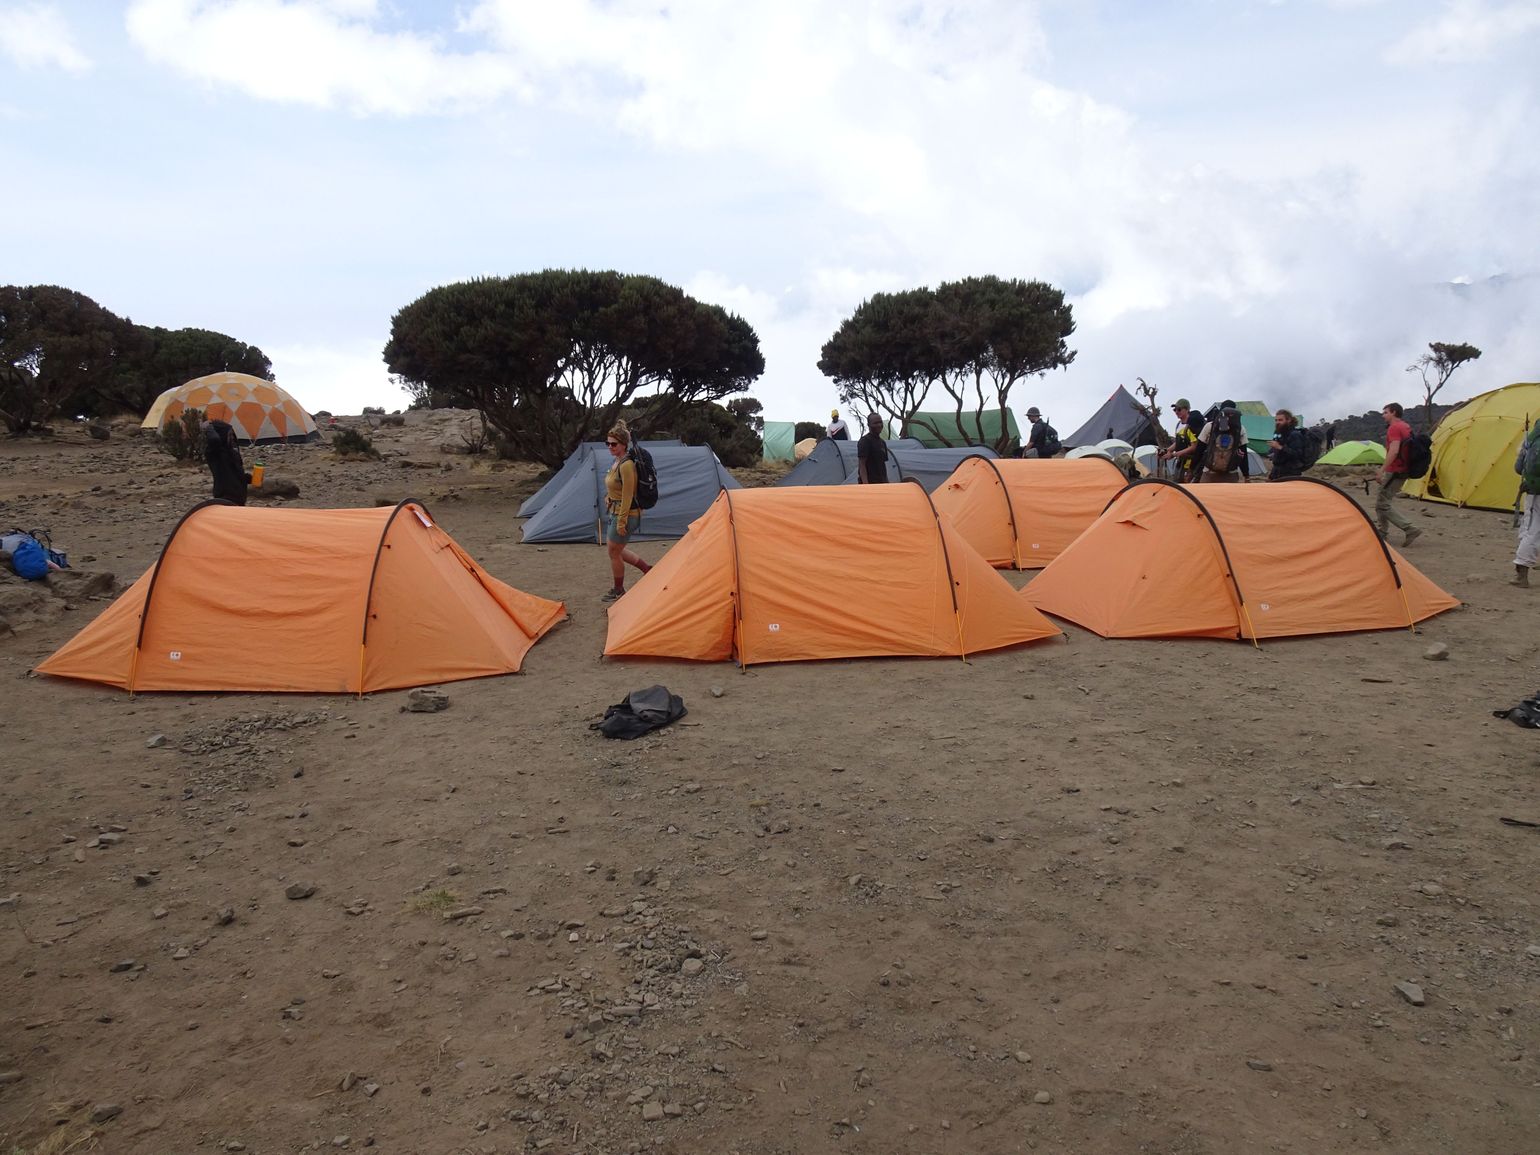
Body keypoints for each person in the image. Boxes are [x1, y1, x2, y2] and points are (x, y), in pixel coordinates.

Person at [600, 420, 653, 602]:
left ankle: (619, 589)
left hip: (627, 515)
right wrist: (609, 497)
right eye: (608, 443)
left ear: (623, 444)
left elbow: (628, 495)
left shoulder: (626, 465)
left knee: (614, 552)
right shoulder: (617, 461)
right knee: (616, 550)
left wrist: (621, 521)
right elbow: (617, 488)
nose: (610, 447)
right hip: (615, 512)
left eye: (614, 444)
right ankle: (647, 569)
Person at [1377, 403, 1422, 546]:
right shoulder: (1405, 426)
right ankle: (1382, 533)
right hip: (1404, 469)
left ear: (1394, 412)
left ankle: (1410, 528)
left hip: (1396, 470)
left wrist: (1382, 469)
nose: (1383, 415)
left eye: (1385, 412)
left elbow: (1394, 450)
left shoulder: (1394, 428)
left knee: (1382, 503)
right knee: (1382, 501)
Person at [1512, 421, 1540, 587]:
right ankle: (1524, 570)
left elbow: (1518, 468)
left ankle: (1521, 574)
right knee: (1534, 529)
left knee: (1531, 529)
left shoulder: (1530, 440)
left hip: (1534, 493)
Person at [203, 418, 250, 506]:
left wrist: (250, 478)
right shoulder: (215, 453)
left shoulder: (233, 453)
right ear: (222, 435)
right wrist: (209, 427)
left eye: (232, 435)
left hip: (239, 500)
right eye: (229, 435)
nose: (232, 437)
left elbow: (236, 475)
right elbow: (214, 440)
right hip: (224, 499)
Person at [1160, 397, 1206, 482]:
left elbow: (1194, 447)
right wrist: (1167, 450)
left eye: (1179, 409)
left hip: (1190, 464)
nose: (1176, 412)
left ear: (1187, 410)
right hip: (1180, 462)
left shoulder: (1192, 425)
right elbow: (1179, 442)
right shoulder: (1178, 425)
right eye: (1175, 410)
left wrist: (1174, 454)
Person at [1268, 409, 1307, 480]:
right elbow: (1277, 448)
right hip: (1277, 471)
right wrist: (1272, 452)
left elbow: (1298, 454)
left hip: (1290, 473)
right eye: (1276, 420)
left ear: (1288, 420)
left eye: (1280, 420)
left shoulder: (1295, 434)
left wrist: (1280, 447)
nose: (1277, 422)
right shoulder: (1279, 432)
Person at [857, 414, 889, 483]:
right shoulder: (865, 441)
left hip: (882, 484)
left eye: (880, 422)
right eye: (875, 423)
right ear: (869, 425)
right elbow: (862, 465)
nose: (879, 425)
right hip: (871, 484)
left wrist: (887, 483)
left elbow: (883, 467)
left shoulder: (882, 443)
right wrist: (866, 485)